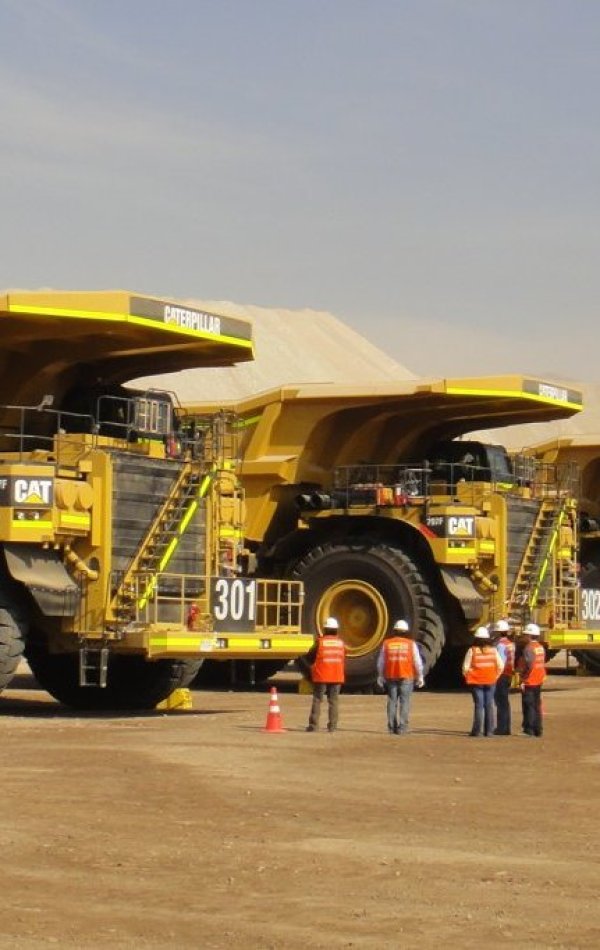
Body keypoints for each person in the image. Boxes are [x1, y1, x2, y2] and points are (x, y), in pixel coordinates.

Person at [377, 619, 424, 734]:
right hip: (406, 676)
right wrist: (420, 676)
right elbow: (417, 661)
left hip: (391, 676)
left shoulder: (387, 643)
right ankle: (402, 728)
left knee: (392, 701)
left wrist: (380, 675)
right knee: (405, 702)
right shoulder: (410, 644)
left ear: (394, 631)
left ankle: (391, 727)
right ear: (406, 631)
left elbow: (381, 662)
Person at [305, 617, 346, 733]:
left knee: (317, 699)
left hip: (321, 675)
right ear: (336, 630)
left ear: (325, 629)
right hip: (337, 676)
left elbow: (309, 657)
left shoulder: (320, 642)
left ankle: (313, 725)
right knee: (333, 701)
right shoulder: (341, 643)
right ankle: (332, 726)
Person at [462, 626, 503, 737]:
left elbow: (465, 667)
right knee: (489, 705)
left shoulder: (472, 650)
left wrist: (468, 677)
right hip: (490, 681)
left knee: (479, 706)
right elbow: (500, 666)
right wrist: (495, 677)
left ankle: (477, 731)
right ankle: (489, 731)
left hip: (476, 682)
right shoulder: (493, 650)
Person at [516, 622, 546, 737]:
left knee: (528, 705)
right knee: (537, 705)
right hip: (538, 679)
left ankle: (529, 729)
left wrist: (522, 677)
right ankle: (538, 729)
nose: (524, 637)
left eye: (525, 635)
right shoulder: (540, 647)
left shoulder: (529, 648)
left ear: (529, 635)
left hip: (530, 680)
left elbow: (528, 664)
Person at [493, 619, 515, 735]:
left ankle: (502, 728)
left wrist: (494, 676)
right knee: (505, 702)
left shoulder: (500, 645)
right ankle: (506, 727)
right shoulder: (510, 644)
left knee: (501, 702)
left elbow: (500, 662)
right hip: (508, 674)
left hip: (501, 675)